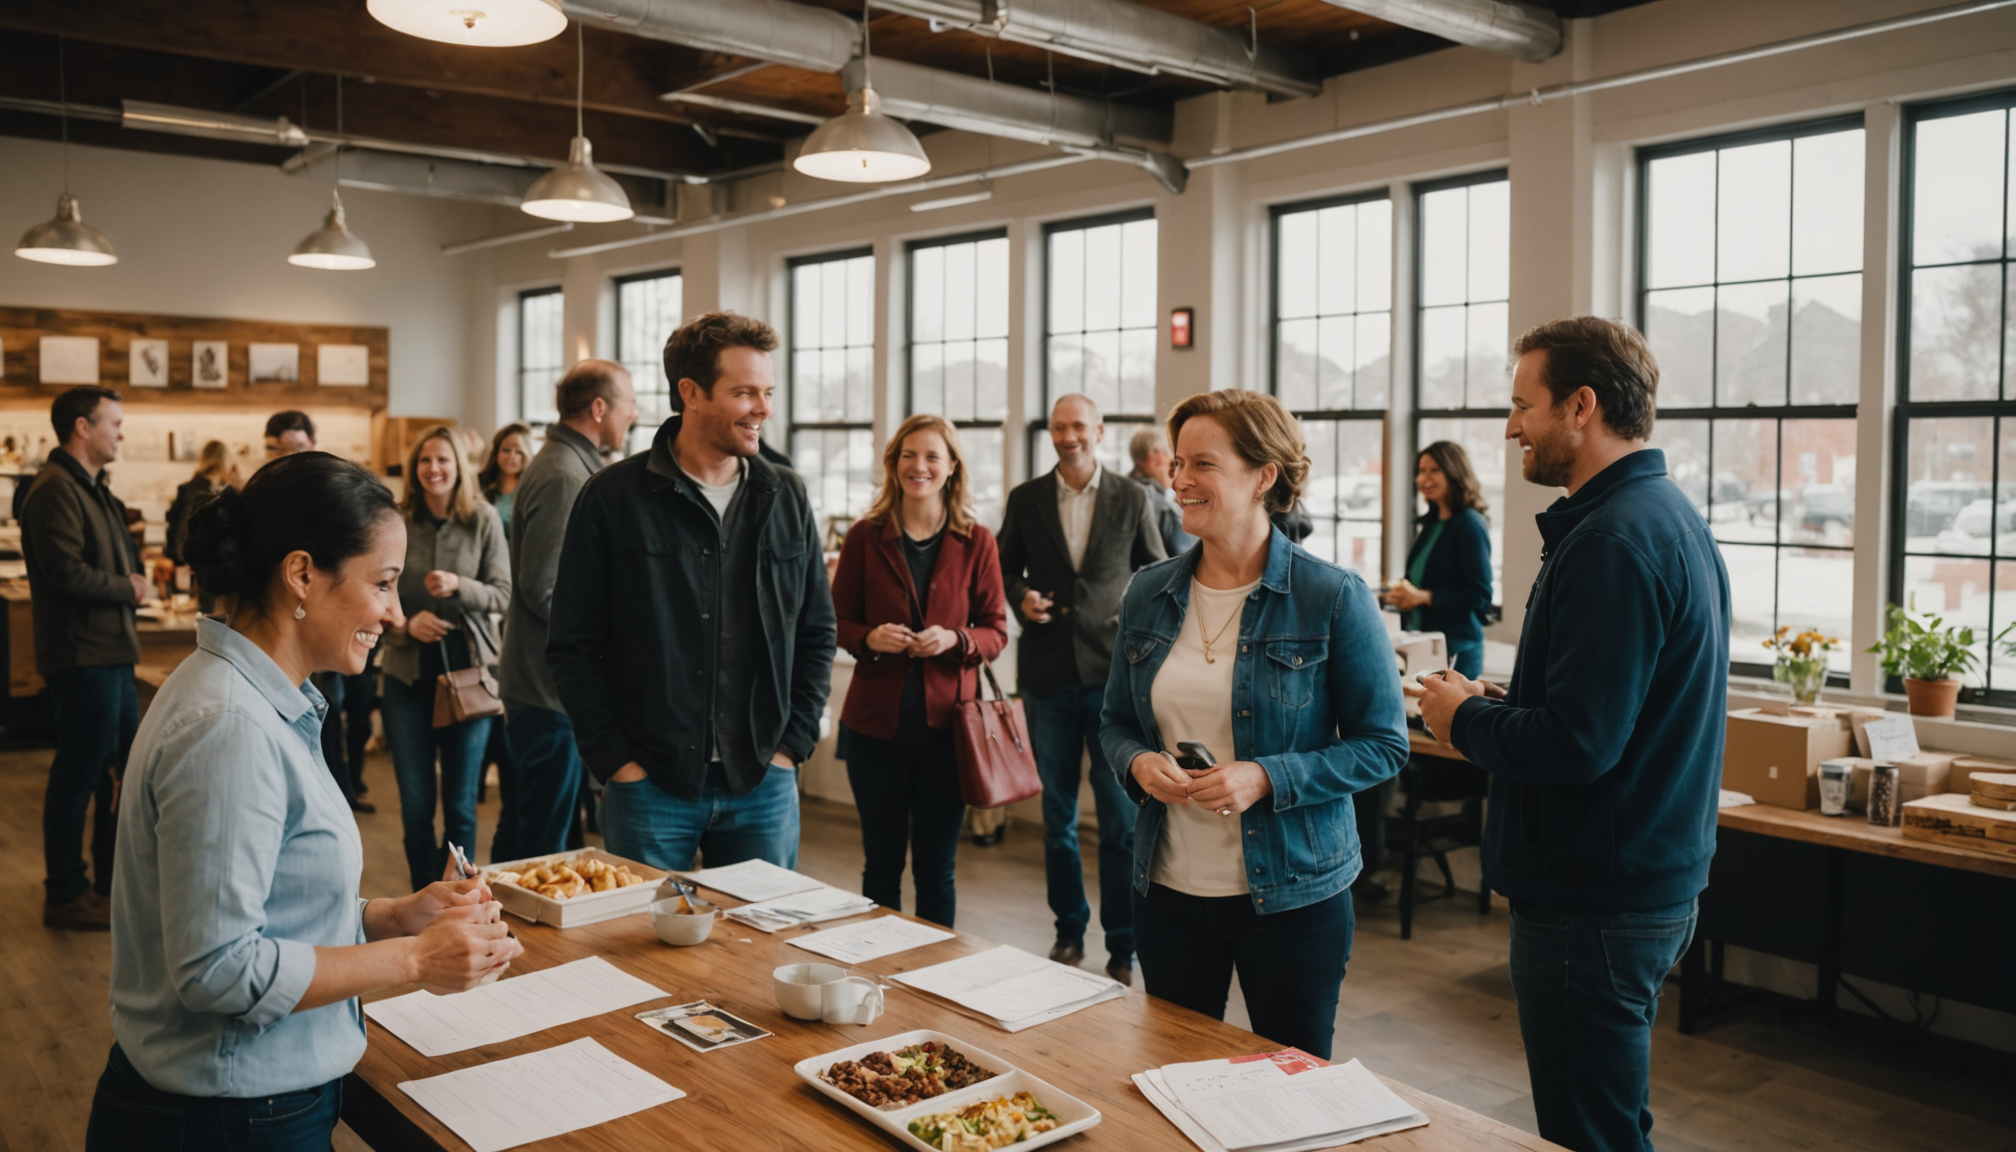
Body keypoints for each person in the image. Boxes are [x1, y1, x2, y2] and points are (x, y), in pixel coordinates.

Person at [85, 451, 520, 1151]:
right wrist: (415, 960)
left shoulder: (254, 701)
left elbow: (266, 905)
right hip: (225, 1118)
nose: (395, 611)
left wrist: (392, 919)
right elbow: (219, 968)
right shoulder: (232, 728)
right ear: (301, 573)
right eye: (382, 583)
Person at [1417, 317, 1730, 1152]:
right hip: (1639, 880)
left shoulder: (1613, 540)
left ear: (1581, 405)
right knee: (1612, 1117)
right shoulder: (1663, 517)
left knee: (1588, 1131)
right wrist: (1505, 696)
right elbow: (1608, 702)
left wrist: (1463, 718)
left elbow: (1579, 744)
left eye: (1524, 406)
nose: (1511, 427)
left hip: (1596, 896)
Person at [1099, 389, 1408, 1060]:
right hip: (1169, 892)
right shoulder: (1148, 593)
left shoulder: (1332, 597)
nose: (1179, 480)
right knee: (1175, 1080)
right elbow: (1116, 721)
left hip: (1294, 898)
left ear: (1264, 475)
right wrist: (1137, 763)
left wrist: (1268, 777)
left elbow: (1384, 745)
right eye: (1178, 463)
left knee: (1290, 1089)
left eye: (1202, 464)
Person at [549, 312, 834, 872]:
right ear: (691, 393)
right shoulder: (612, 498)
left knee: (760, 955)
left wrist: (790, 747)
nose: (764, 409)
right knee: (639, 955)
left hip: (763, 782)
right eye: (745, 392)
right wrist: (615, 761)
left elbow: (816, 632)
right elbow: (573, 645)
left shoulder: (786, 496)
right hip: (647, 786)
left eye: (768, 392)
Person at [997, 393, 1166, 984]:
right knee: (1057, 817)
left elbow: (1158, 570)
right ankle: (1069, 931)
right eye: (1059, 426)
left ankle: (1124, 944)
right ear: (1051, 432)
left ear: (1098, 430)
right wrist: (1022, 598)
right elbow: (1002, 565)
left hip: (1114, 682)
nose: (1069, 435)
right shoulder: (1026, 499)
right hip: (1046, 680)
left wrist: (1138, 622)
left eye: (1079, 426)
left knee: (1120, 824)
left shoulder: (1131, 496)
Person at [832, 415, 1008, 928]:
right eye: (909, 455)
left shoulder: (978, 541)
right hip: (874, 730)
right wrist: (868, 637)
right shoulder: (865, 536)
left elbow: (996, 629)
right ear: (893, 465)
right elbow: (835, 622)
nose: (919, 466)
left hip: (949, 735)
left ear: (952, 467)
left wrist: (956, 639)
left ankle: (935, 980)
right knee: (881, 866)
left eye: (932, 456)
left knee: (937, 870)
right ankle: (876, 972)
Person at [498, 362, 638, 858]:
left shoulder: (569, 464)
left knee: (535, 829)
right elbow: (544, 587)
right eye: (629, 403)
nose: (635, 414)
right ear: (599, 408)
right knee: (538, 841)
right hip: (547, 690)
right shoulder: (564, 475)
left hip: (545, 689)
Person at [21, 386, 145, 931]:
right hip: (83, 657)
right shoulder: (54, 490)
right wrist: (129, 587)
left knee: (121, 775)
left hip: (111, 654)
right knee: (80, 774)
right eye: (113, 422)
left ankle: (109, 885)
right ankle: (65, 893)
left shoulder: (90, 487)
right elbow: (65, 571)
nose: (121, 432)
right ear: (81, 427)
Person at [380, 428, 512, 891]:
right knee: (416, 806)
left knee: (459, 805)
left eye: (443, 460)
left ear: (460, 466)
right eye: (424, 461)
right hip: (405, 680)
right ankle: (423, 901)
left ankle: (457, 898)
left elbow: (502, 593)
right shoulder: (395, 521)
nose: (433, 469)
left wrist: (460, 586)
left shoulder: (483, 518)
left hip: (467, 680)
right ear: (414, 469)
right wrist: (405, 623)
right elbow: (374, 591)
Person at [1382, 441, 1494, 679]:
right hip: (1423, 644)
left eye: (1434, 470)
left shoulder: (1470, 525)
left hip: (1457, 650)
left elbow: (1480, 596)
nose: (1424, 479)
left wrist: (1423, 597)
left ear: (1454, 472)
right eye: (1421, 471)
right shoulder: (1431, 523)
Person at [473, 423, 532, 860]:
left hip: (519, 592)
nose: (512, 457)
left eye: (519, 450)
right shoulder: (482, 494)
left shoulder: (533, 490)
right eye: (506, 449)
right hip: (489, 592)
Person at [164, 440, 240, 565]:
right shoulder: (218, 493)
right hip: (203, 561)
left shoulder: (186, 488)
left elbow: (173, 524)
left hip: (182, 557)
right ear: (225, 461)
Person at [1127, 426, 1195, 557]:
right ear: (1154, 457)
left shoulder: (1123, 488)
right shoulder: (1149, 497)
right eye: (1169, 455)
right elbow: (1183, 552)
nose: (1173, 464)